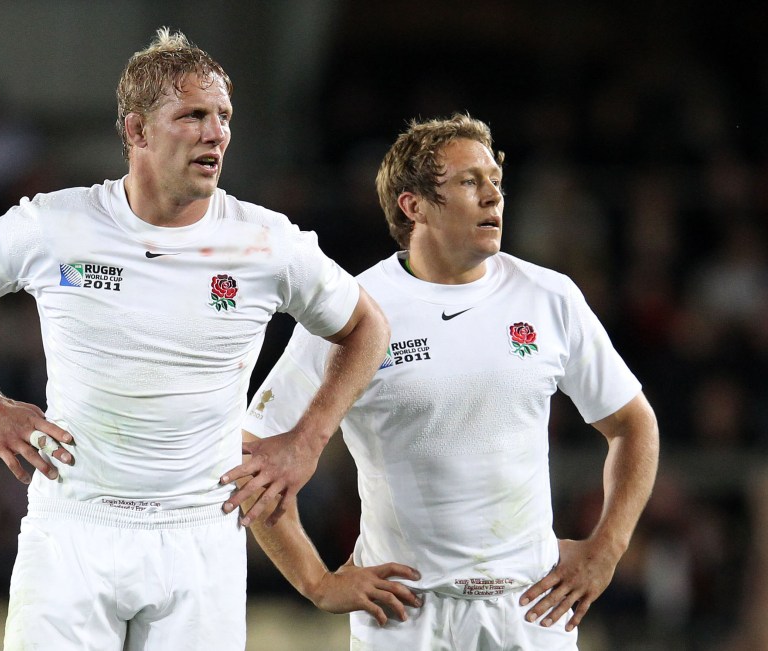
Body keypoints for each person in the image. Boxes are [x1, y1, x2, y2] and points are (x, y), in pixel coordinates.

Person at [0, 28, 398, 651]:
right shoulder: (56, 225)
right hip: (74, 528)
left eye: (224, 117)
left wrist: (307, 440)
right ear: (136, 131)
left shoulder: (267, 242)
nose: (217, 133)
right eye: (193, 116)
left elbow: (368, 327)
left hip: (201, 535)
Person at [241, 113, 660, 650]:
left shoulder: (549, 298)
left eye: (495, 181)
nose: (494, 197)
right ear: (412, 205)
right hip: (407, 617)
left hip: (532, 611)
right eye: (469, 182)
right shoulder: (353, 311)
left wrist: (607, 550)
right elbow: (255, 452)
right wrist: (315, 581)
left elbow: (633, 423)